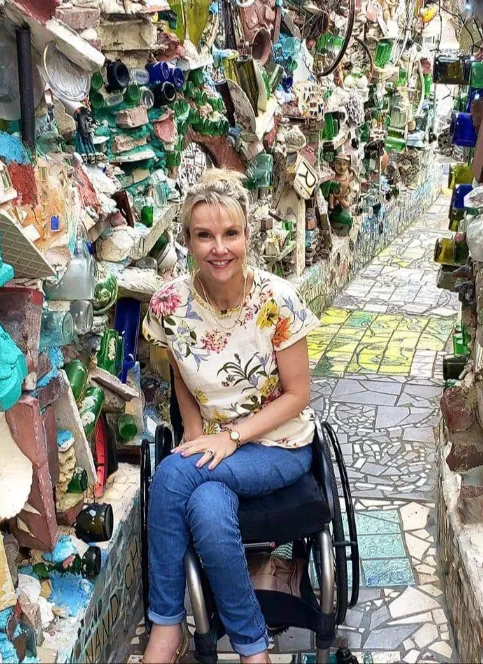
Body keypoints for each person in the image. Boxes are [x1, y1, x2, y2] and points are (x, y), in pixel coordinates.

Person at [141, 168, 319, 664]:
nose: (219, 248)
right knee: (206, 508)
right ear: (188, 241)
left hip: (278, 445)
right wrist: (195, 429)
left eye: (230, 233)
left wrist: (232, 437)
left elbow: (298, 394)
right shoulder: (170, 305)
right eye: (204, 235)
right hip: (214, 449)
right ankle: (252, 649)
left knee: (172, 476)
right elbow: (179, 370)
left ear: (247, 236)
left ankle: (165, 625)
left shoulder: (278, 301)